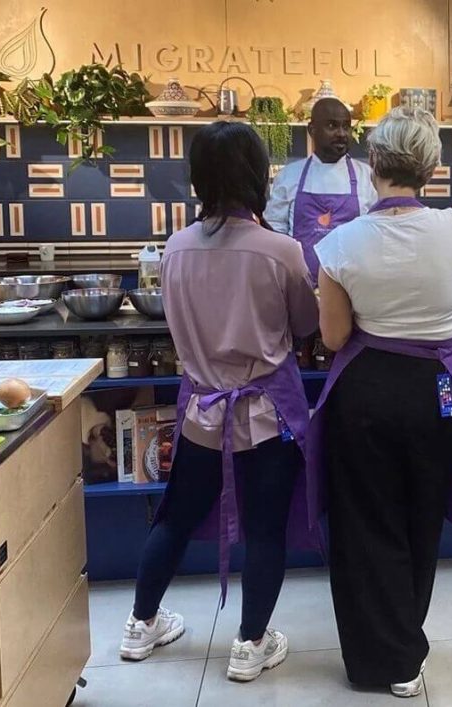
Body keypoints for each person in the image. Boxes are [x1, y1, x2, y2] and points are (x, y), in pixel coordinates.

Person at [119, 121, 320, 683]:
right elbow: (307, 324)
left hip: (200, 414)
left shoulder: (175, 249)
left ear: (199, 178)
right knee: (265, 529)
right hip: (264, 418)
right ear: (257, 176)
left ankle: (140, 624)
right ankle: (250, 644)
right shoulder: (281, 251)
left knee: (175, 517)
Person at [308, 107, 452, 697]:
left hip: (366, 392)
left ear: (373, 164)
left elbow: (334, 339)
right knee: (420, 518)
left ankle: (374, 663)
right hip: (437, 389)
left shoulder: (339, 244)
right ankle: (408, 655)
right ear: (431, 168)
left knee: (364, 526)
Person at [264, 97, 378, 283]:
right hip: (300, 288)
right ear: (312, 130)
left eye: (346, 126)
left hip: (353, 288)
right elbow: (275, 234)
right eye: (332, 126)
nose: (341, 134)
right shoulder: (289, 176)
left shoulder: (368, 177)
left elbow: (375, 236)